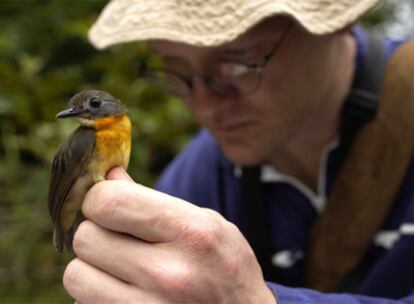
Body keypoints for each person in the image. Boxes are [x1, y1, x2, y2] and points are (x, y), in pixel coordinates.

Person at [61, 0, 414, 303]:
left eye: (239, 60)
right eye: (175, 68)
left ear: (338, 21)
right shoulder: (193, 184)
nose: (203, 105)